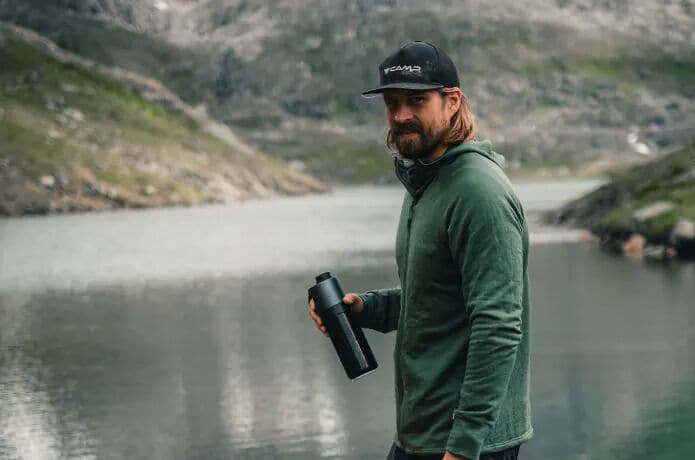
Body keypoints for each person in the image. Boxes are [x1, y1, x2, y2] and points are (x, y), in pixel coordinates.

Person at [309, 41, 532, 460]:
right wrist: (364, 309)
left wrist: (463, 447)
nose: (400, 115)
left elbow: (499, 325)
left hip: (467, 443)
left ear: (452, 101)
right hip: (422, 433)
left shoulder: (477, 192)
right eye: (392, 103)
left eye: (416, 100)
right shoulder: (426, 183)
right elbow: (437, 297)